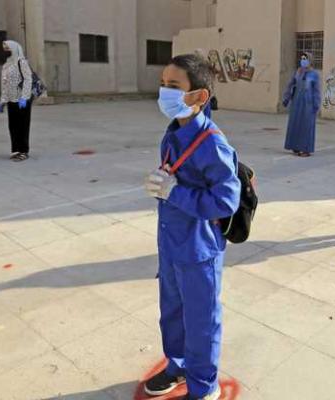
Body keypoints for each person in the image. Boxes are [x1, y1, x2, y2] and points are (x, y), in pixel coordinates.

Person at [143, 54, 241, 400]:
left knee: (201, 321)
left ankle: (203, 386)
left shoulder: (212, 143)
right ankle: (178, 365)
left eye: (174, 86)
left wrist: (175, 192)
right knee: (171, 313)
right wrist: (163, 187)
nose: (164, 92)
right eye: (162, 84)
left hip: (198, 250)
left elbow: (226, 201)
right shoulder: (173, 134)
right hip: (171, 243)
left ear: (199, 96)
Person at [0, 40, 33, 162]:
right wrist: (2, 101)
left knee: (23, 126)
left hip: (22, 100)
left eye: (7, 48)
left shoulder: (21, 62)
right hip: (11, 100)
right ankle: (16, 149)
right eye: (4, 49)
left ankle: (24, 151)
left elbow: (28, 79)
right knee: (13, 126)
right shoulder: (6, 65)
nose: (5, 51)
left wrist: (25, 97)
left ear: (14, 49)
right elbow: (4, 84)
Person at [282, 52, 321, 157]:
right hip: (296, 102)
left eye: (305, 59)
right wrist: (286, 98)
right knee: (295, 124)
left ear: (310, 60)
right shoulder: (297, 72)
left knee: (306, 126)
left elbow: (316, 91)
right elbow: (290, 85)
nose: (303, 61)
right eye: (302, 58)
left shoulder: (314, 74)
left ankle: (305, 149)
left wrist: (316, 104)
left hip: (308, 103)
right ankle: (295, 146)